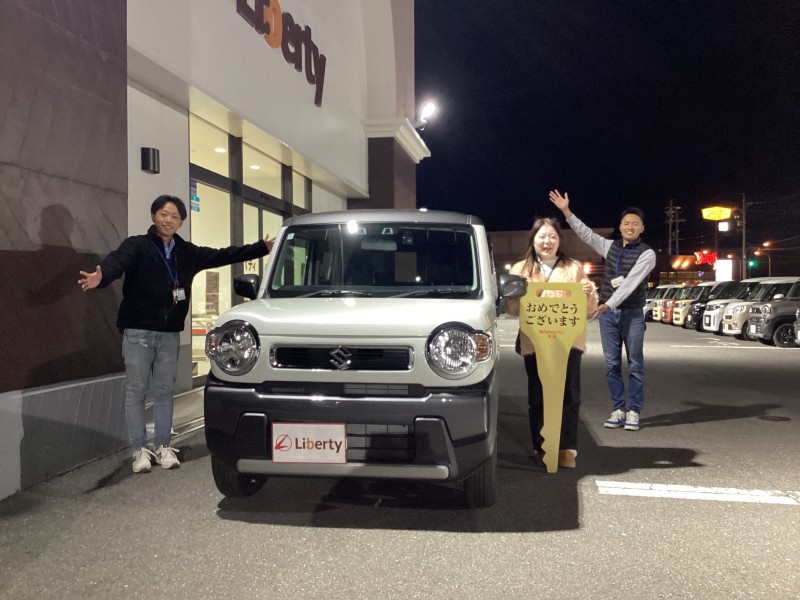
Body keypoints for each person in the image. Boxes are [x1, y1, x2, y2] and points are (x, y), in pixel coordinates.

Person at [78, 195, 274, 473]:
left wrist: (261, 248)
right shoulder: (137, 245)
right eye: (163, 214)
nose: (168, 220)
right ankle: (139, 449)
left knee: (164, 391)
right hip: (138, 331)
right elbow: (116, 262)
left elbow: (223, 255)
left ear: (181, 221)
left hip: (169, 333)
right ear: (153, 216)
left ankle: (163, 445)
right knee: (136, 390)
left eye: (174, 216)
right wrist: (102, 278)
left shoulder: (187, 252)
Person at [549, 190, 656, 432]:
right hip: (608, 316)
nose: (630, 227)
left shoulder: (647, 254)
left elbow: (630, 284)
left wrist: (608, 303)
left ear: (642, 228)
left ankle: (634, 411)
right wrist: (566, 211)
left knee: (635, 364)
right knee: (611, 364)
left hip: (631, 314)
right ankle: (618, 409)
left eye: (635, 223)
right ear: (620, 226)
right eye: (626, 223)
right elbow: (585, 233)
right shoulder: (610, 247)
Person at [506, 217, 598, 469]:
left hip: (568, 341)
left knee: (570, 394)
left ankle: (567, 447)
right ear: (533, 240)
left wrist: (589, 292)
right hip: (535, 340)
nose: (547, 241)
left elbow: (589, 307)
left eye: (552, 237)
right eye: (542, 236)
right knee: (538, 395)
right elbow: (512, 310)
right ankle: (542, 446)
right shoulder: (520, 269)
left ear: (559, 241)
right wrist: (514, 295)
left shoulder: (573, 267)